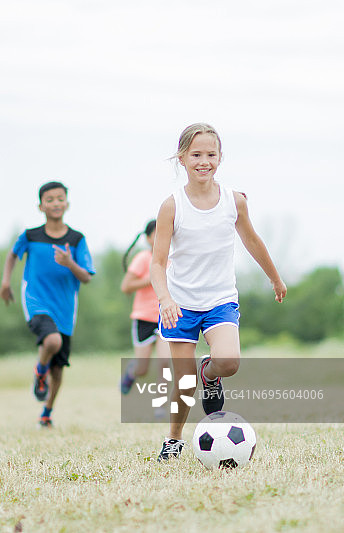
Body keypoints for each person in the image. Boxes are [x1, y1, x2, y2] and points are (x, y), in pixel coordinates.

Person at [150, 123, 286, 462]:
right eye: (196, 154)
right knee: (183, 384)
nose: (204, 161)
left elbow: (252, 240)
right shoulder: (172, 206)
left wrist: (274, 277)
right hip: (179, 304)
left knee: (229, 361)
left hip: (219, 301)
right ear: (182, 158)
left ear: (220, 158)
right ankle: (174, 439)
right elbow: (157, 263)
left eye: (211, 154)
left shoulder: (234, 201)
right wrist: (165, 298)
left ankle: (209, 373)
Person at [0, 181, 94, 429]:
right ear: (40, 206)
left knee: (59, 369)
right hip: (36, 300)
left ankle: (46, 413)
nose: (55, 203)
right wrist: (5, 282)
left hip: (65, 309)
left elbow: (86, 276)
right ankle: (39, 370)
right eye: (49, 199)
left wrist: (69, 263)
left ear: (67, 203)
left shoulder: (76, 239)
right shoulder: (31, 236)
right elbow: (12, 255)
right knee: (52, 341)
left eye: (59, 198)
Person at [118, 219, 171, 420]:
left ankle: (160, 406)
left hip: (166, 316)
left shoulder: (175, 258)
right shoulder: (143, 258)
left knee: (165, 362)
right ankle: (131, 373)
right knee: (142, 367)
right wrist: (151, 278)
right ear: (148, 238)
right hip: (143, 318)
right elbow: (126, 287)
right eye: (156, 234)